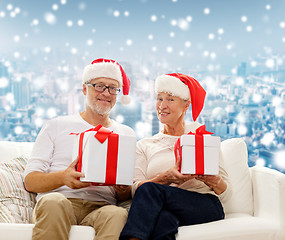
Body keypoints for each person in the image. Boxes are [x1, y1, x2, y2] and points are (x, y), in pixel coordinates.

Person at [24, 58, 135, 240]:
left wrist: (122, 188)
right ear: (85, 89)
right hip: (60, 200)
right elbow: (30, 182)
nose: (106, 93)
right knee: (53, 202)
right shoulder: (56, 125)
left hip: (101, 207)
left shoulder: (126, 133)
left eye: (113, 88)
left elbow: (123, 196)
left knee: (118, 215)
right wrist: (63, 178)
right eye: (99, 86)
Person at [120, 73, 232, 240]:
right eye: (159, 99)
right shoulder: (145, 144)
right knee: (164, 220)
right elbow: (136, 190)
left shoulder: (200, 137)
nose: (162, 105)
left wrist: (213, 180)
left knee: (150, 190)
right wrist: (166, 178)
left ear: (186, 105)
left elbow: (226, 193)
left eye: (170, 100)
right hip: (163, 207)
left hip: (204, 205)